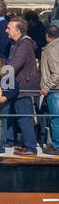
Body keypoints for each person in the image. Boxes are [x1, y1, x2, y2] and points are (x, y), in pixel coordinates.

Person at [3, 16, 41, 156]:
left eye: (9, 28)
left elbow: (15, 65)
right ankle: (18, 142)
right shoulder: (19, 44)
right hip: (18, 84)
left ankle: (31, 147)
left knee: (24, 116)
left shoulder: (24, 45)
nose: (6, 30)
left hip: (23, 85)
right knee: (17, 115)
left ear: (18, 30)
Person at [40, 24, 59, 155]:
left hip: (55, 90)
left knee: (55, 120)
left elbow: (56, 72)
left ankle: (57, 146)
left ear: (48, 35)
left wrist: (46, 87)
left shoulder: (51, 49)